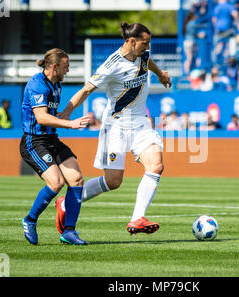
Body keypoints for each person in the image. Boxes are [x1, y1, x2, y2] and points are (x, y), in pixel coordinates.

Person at [55, 22, 172, 235]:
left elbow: (149, 63)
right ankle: (67, 200)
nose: (147, 47)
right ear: (131, 41)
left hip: (140, 123)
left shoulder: (143, 55)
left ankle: (137, 219)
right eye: (145, 43)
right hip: (116, 127)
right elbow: (86, 90)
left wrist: (161, 74)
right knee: (113, 181)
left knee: (156, 166)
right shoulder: (111, 65)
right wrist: (65, 114)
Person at [20, 48, 90, 246]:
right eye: (66, 66)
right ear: (54, 66)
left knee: (76, 179)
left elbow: (48, 113)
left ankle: (69, 231)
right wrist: (70, 123)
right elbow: (41, 117)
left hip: (51, 140)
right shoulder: (36, 85)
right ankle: (30, 220)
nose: (68, 70)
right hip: (34, 142)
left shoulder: (56, 84)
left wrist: (62, 114)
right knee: (56, 183)